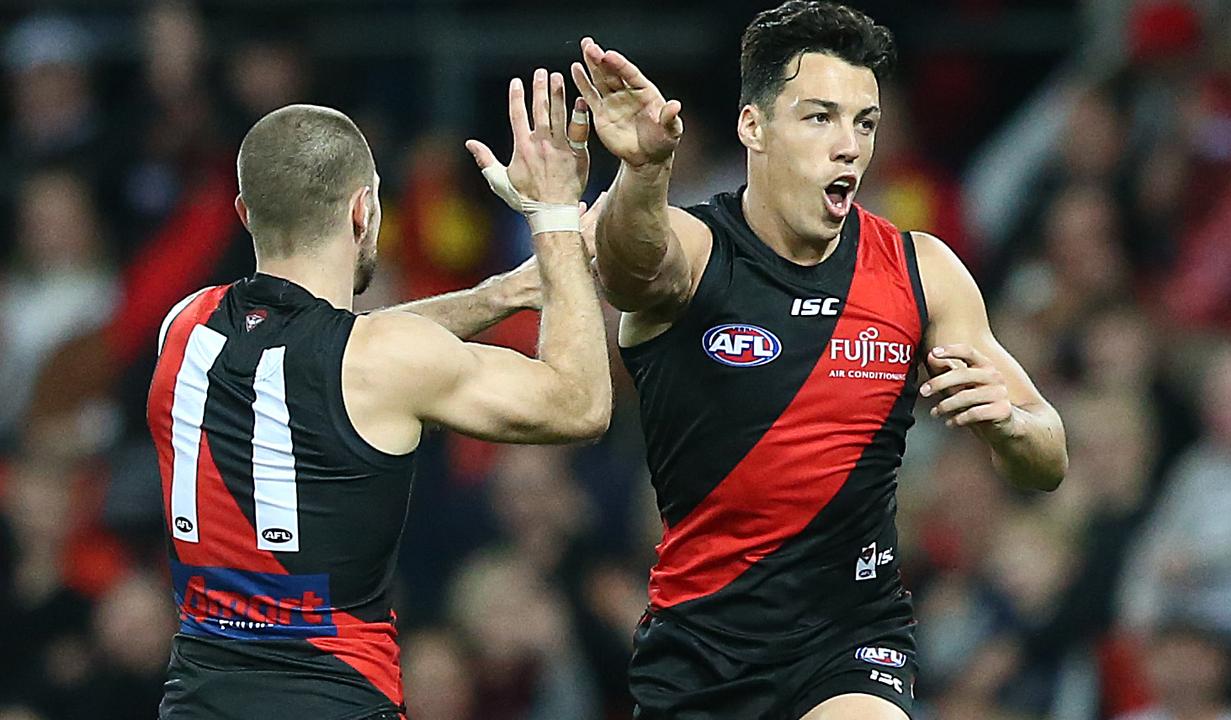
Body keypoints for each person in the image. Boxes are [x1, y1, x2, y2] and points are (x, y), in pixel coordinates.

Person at [569, 2, 1067, 719]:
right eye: (819, 117)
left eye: (864, 122)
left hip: (852, 642)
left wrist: (1010, 425)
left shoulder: (919, 270)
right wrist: (644, 170)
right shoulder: (699, 250)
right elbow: (627, 268)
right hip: (700, 651)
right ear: (753, 127)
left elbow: (1048, 457)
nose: (850, 146)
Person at [146, 69, 610, 720]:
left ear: (247, 213)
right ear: (363, 211)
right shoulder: (378, 360)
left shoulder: (184, 326)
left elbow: (343, 347)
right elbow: (582, 403)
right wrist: (555, 219)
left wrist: (502, 294)